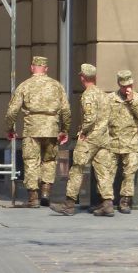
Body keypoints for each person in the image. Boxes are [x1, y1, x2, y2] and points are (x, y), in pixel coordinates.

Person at [5, 55, 69, 208]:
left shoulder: (24, 86)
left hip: (31, 130)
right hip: (52, 129)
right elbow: (66, 110)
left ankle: (33, 198)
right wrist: (64, 130)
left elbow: (12, 111)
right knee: (49, 161)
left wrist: (10, 128)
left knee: (31, 162)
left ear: (32, 68)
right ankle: (46, 192)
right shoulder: (57, 86)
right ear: (46, 69)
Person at [54, 64, 113, 216]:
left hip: (90, 138)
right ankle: (107, 203)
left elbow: (90, 117)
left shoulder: (88, 95)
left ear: (82, 78)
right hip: (103, 138)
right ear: (95, 77)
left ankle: (69, 205)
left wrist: (84, 131)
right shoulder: (104, 95)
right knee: (103, 170)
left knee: (77, 169)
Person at [102, 70, 138, 215]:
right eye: (123, 86)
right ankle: (106, 201)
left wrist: (131, 101)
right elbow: (103, 118)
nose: (126, 88)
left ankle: (125, 201)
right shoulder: (110, 98)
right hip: (112, 142)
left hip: (131, 143)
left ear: (132, 83)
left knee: (129, 173)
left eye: (129, 85)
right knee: (107, 173)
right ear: (118, 84)